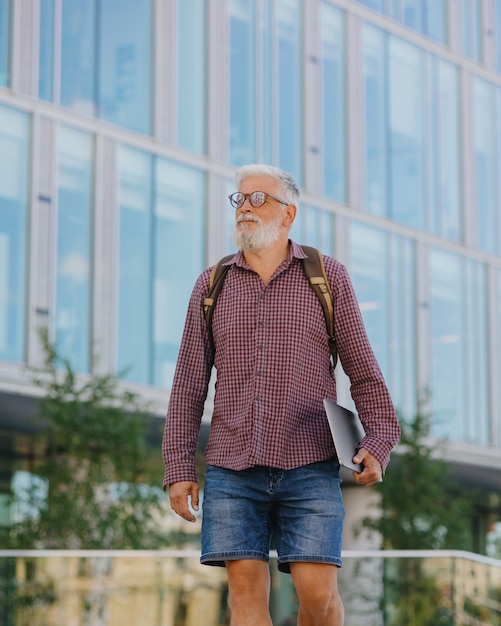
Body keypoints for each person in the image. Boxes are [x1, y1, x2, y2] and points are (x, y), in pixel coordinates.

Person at [162, 164, 400, 626]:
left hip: (308, 463)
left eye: (258, 199)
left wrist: (378, 440)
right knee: (245, 598)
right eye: (240, 199)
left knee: (318, 597)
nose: (245, 208)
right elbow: (189, 383)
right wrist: (178, 467)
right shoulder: (211, 285)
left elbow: (364, 372)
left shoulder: (327, 278)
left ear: (288, 214)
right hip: (232, 467)